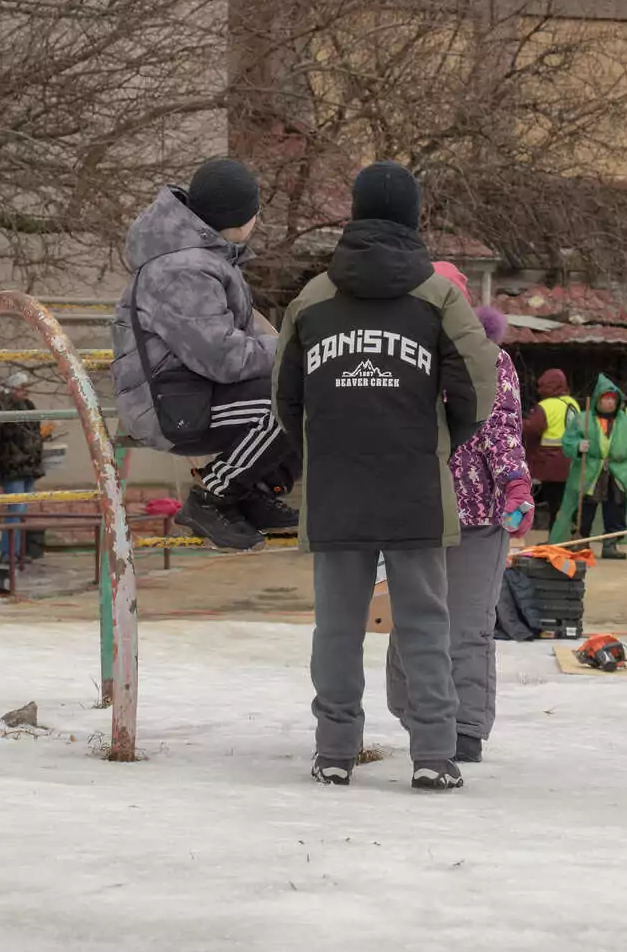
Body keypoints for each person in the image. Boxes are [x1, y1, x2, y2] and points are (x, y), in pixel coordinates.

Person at [274, 161, 501, 791]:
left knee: (337, 626)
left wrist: (325, 446)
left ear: (354, 213)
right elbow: (477, 386)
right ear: (413, 217)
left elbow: (285, 398)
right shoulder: (440, 296)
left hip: (336, 485)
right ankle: (433, 754)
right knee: (427, 623)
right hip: (415, 488)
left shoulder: (313, 298)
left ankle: (333, 751)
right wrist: (436, 442)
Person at [386, 264, 531, 766]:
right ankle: (414, 716)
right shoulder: (399, 355)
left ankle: (465, 728)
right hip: (416, 507)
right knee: (413, 621)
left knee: (468, 623)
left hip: (482, 513)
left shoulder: (490, 358)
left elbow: (503, 426)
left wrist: (515, 485)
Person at [112, 158, 298, 551]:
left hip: (190, 395)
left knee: (306, 384)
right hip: (171, 408)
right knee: (296, 397)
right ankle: (211, 497)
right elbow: (222, 357)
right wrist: (290, 349)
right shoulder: (183, 270)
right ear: (242, 218)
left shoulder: (201, 258)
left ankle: (249, 491)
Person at [551, 375, 627, 558]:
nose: (610, 403)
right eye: (606, 399)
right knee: (585, 506)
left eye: (613, 399)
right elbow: (568, 442)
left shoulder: (626, 423)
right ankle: (581, 541)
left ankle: (610, 545)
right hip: (589, 469)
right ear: (598, 400)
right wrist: (578, 446)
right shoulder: (583, 419)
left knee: (615, 508)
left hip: (618, 471)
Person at [0, 373, 45, 565]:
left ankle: (17, 551)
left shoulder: (29, 406)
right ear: (13, 388)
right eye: (22, 388)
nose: (26, 392)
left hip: (29, 465)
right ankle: (8, 553)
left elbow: (34, 432)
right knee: (15, 509)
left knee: (21, 510)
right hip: (11, 465)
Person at [523, 370, 581, 531]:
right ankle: (568, 533)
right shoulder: (572, 403)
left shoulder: (546, 406)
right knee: (565, 500)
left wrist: (519, 424)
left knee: (553, 501)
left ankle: (555, 537)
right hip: (571, 459)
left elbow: (534, 429)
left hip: (550, 460)